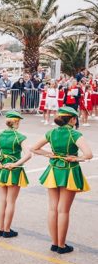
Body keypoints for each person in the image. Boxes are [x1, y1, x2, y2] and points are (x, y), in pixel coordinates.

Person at [31, 106, 93, 254]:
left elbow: (34, 148)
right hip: (69, 171)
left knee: (53, 209)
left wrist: (49, 154)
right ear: (72, 119)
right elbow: (88, 154)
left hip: (53, 170)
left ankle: (54, 243)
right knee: (63, 210)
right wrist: (76, 158)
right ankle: (62, 245)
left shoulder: (51, 132)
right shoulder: (75, 134)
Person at [0, 111, 32, 238]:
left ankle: (0, 229)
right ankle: (7, 230)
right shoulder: (19, 136)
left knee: (2, 200)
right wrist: (16, 164)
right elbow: (28, 154)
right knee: (11, 201)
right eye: (19, 122)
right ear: (16, 122)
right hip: (13, 170)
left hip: (2, 169)